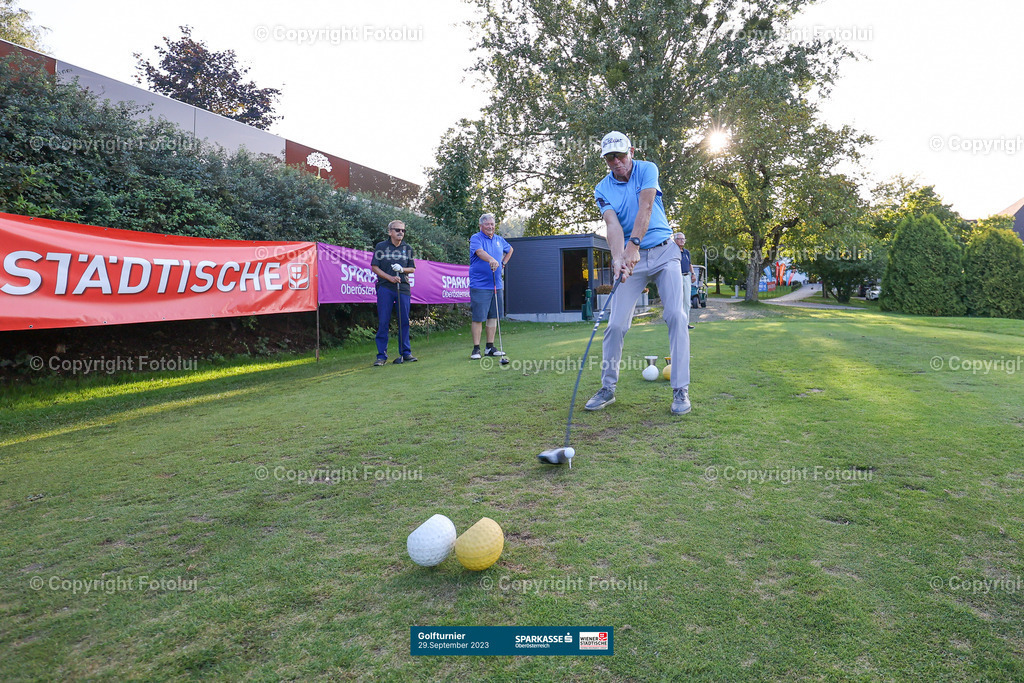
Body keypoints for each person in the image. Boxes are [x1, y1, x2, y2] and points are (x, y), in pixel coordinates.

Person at [586, 131, 691, 415]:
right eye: (610, 158)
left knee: (675, 316)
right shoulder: (602, 188)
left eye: (620, 155)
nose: (616, 162)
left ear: (630, 151)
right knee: (616, 325)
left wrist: (633, 246)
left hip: (663, 251)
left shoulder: (647, 169)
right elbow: (612, 225)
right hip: (632, 261)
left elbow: (646, 206)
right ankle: (607, 388)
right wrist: (618, 256)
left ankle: (680, 389)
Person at [370, 220, 417, 366]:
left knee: (404, 321)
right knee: (384, 321)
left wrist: (402, 270)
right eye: (397, 230)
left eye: (403, 230)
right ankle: (381, 356)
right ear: (390, 232)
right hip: (385, 287)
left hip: (402, 287)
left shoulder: (407, 248)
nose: (400, 233)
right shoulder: (381, 247)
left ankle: (406, 353)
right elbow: (374, 267)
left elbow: (412, 269)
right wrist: (390, 277)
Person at [468, 213, 513, 359]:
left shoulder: (499, 239)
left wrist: (503, 263)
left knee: (493, 317)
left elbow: (510, 249)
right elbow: (480, 252)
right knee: (478, 317)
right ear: (481, 225)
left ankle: (490, 347)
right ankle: (476, 349)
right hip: (480, 285)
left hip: (496, 284)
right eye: (487, 224)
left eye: (492, 224)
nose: (490, 227)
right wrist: (492, 259)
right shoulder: (476, 238)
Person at [674, 232, 697, 329]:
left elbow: (690, 264)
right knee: (677, 301)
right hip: (676, 277)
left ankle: (685, 323)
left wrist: (693, 274)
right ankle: (677, 323)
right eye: (680, 239)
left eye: (683, 239)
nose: (682, 241)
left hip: (686, 276)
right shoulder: (672, 251)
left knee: (687, 301)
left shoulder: (686, 252)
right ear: (675, 240)